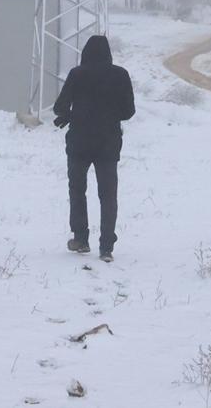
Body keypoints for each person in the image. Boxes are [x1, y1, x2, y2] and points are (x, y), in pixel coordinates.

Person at [53, 35, 135, 263]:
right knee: (108, 195)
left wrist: (71, 116)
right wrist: (108, 115)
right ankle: (107, 246)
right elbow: (129, 111)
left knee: (77, 190)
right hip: (108, 142)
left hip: (79, 141)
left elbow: (60, 106)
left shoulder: (77, 74)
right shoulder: (120, 75)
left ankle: (80, 238)